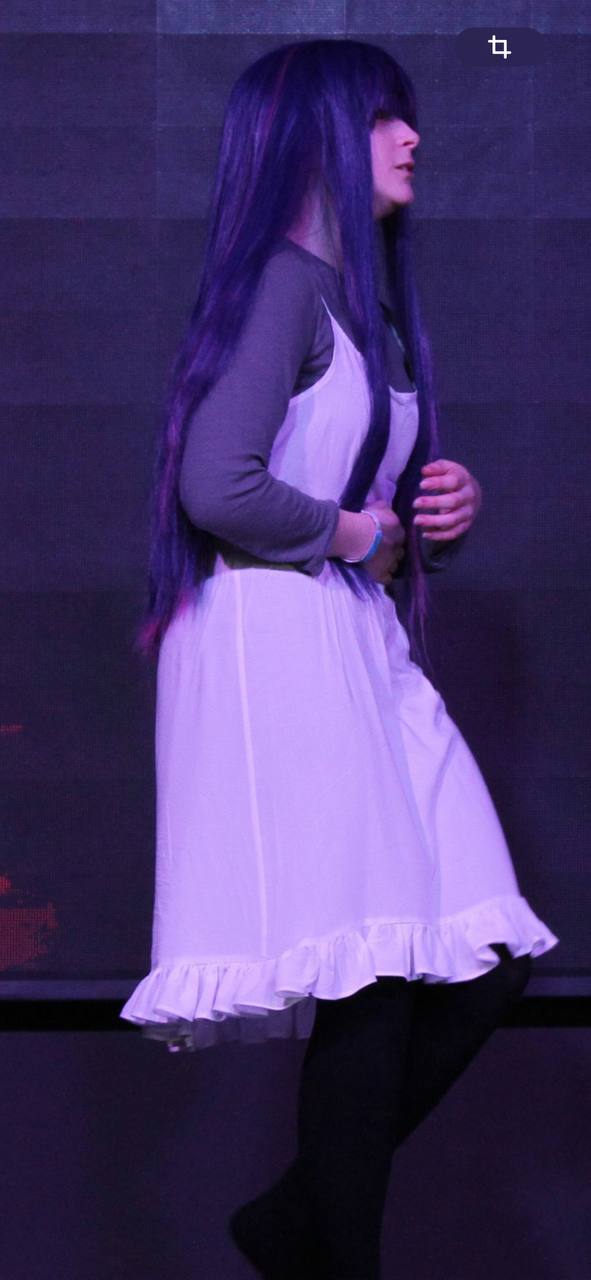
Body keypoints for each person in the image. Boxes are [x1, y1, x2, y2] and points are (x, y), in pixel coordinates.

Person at [119, 38, 559, 1278]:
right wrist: (360, 533)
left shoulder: (358, 305)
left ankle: (293, 1221)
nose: (413, 138)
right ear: (314, 136)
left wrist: (434, 517)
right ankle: (332, 1254)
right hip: (277, 638)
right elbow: (218, 484)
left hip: (350, 634)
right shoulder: (283, 282)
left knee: (476, 959)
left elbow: (350, 505)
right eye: (384, 119)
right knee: (373, 972)